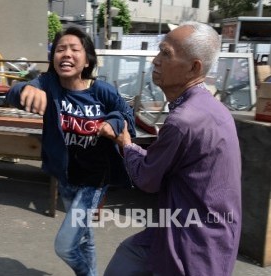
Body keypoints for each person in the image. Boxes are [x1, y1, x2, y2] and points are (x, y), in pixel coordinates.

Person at [102, 21, 242, 276]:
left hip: (191, 243)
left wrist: (125, 143)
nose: (155, 60)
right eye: (159, 51)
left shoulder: (182, 121)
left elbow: (147, 178)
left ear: (193, 67)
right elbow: (162, 163)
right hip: (200, 230)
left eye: (166, 54)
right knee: (127, 258)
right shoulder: (213, 109)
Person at [6, 26, 136, 276]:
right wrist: (24, 89)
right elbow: (14, 94)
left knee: (65, 245)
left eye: (74, 49)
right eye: (60, 49)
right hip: (67, 177)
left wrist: (114, 123)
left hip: (94, 180)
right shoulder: (48, 84)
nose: (66, 54)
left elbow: (127, 114)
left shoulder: (102, 91)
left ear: (86, 59)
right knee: (84, 237)